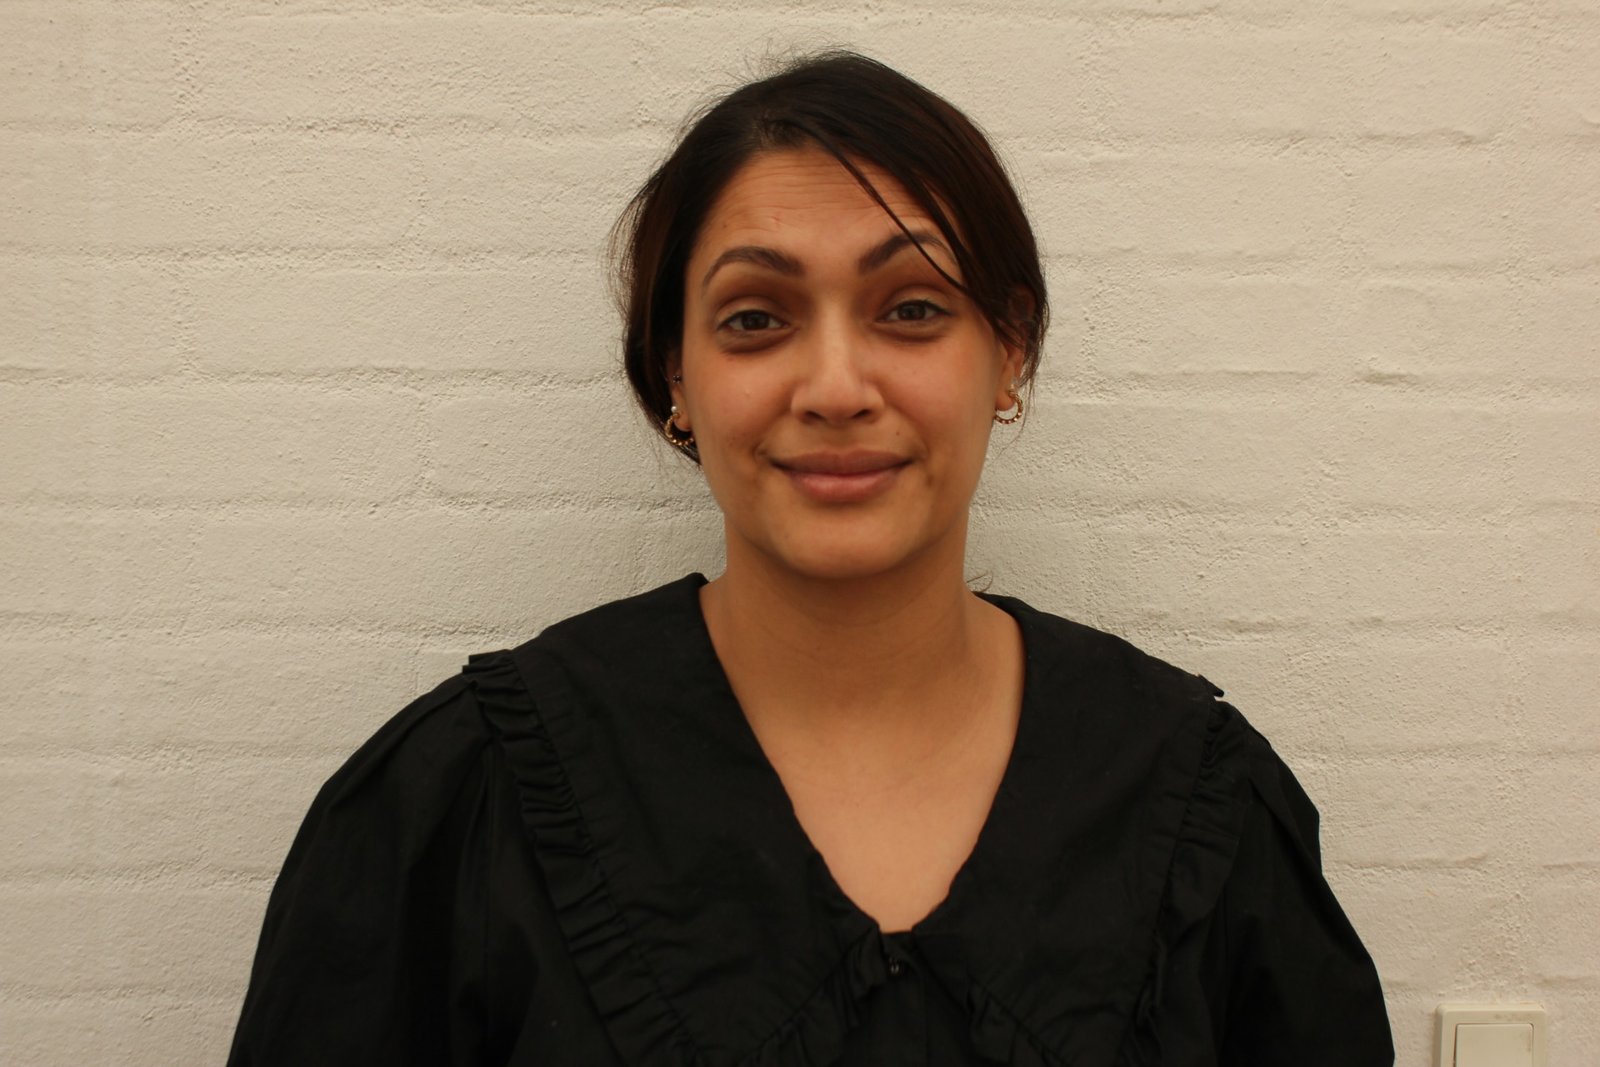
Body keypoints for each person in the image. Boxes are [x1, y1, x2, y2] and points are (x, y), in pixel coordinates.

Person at [226, 51, 1394, 1065]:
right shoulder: (464, 803)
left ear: (1009, 352)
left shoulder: (1195, 800)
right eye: (755, 319)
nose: (835, 388)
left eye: (911, 309)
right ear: (675, 376)